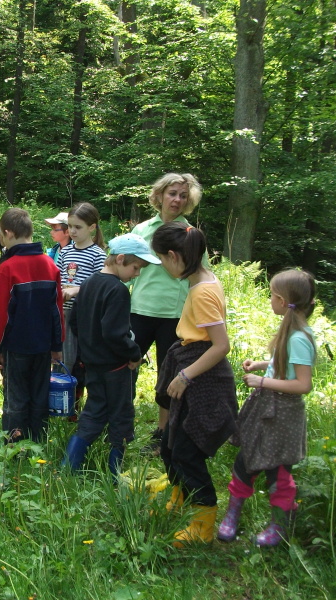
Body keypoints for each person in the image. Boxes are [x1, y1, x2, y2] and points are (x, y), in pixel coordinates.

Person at [151, 222, 238, 547]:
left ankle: (203, 523)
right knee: (170, 443)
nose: (162, 265)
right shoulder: (201, 280)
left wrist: (185, 376)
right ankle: (179, 496)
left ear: (174, 256)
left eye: (162, 259)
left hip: (204, 380)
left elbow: (221, 345)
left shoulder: (202, 291)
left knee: (187, 452)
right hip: (191, 365)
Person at [218, 269, 316, 547]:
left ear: (283, 301)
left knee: (278, 470)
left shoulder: (298, 337)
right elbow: (285, 365)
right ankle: (232, 515)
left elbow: (303, 384)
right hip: (266, 408)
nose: (270, 300)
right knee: (246, 459)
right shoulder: (291, 331)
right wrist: (262, 365)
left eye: (272, 296)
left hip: (283, 414)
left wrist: (262, 381)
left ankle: (279, 526)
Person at [61, 233, 159, 476]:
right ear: (121, 259)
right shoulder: (118, 290)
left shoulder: (89, 283)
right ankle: (114, 474)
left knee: (93, 412)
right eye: (136, 268)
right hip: (116, 368)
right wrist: (134, 354)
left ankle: (68, 467)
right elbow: (115, 334)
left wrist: (88, 346)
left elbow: (74, 321)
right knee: (121, 417)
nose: (137, 274)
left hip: (91, 364)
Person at [129, 173, 205, 454]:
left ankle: (163, 433)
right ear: (159, 195)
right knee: (125, 366)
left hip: (175, 314)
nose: (177, 200)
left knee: (168, 373)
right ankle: (121, 424)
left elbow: (202, 275)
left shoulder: (190, 234)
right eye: (172, 193)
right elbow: (123, 268)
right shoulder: (141, 230)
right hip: (139, 310)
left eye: (183, 196)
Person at [0, 207, 63, 443]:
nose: (0, 239)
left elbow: (0, 314)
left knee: (16, 398)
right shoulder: (50, 265)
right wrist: (57, 345)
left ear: (9, 233)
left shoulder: (8, 268)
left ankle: (14, 447)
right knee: (39, 395)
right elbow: (57, 310)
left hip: (16, 346)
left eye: (0, 234)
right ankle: (38, 443)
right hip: (43, 346)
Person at [50, 203, 107, 412]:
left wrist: (76, 290)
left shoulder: (98, 254)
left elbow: (100, 286)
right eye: (70, 226)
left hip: (84, 316)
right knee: (63, 358)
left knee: (80, 361)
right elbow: (57, 277)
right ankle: (60, 404)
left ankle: (78, 405)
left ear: (92, 227)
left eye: (78, 227)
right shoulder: (65, 251)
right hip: (63, 312)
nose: (72, 231)